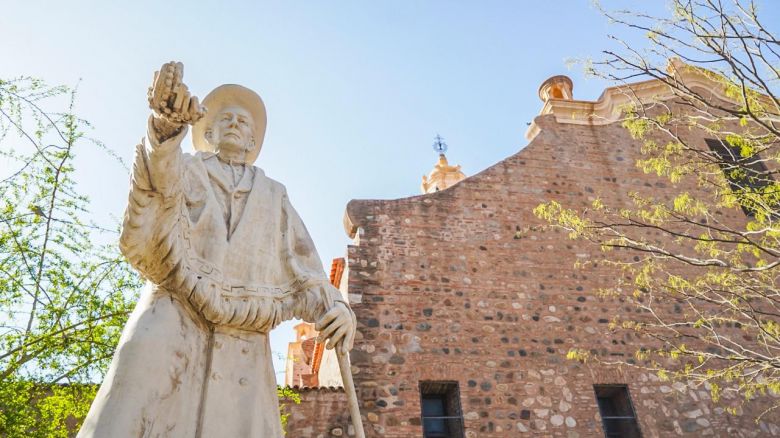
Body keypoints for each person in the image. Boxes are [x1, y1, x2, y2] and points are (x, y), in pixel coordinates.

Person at [78, 62, 356, 437]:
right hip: (173, 315)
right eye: (225, 118)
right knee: (130, 416)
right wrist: (166, 126)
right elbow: (157, 184)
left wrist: (337, 308)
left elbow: (306, 269)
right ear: (206, 131)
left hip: (244, 344)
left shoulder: (275, 195)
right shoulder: (186, 168)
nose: (235, 124)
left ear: (253, 143)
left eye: (244, 122)